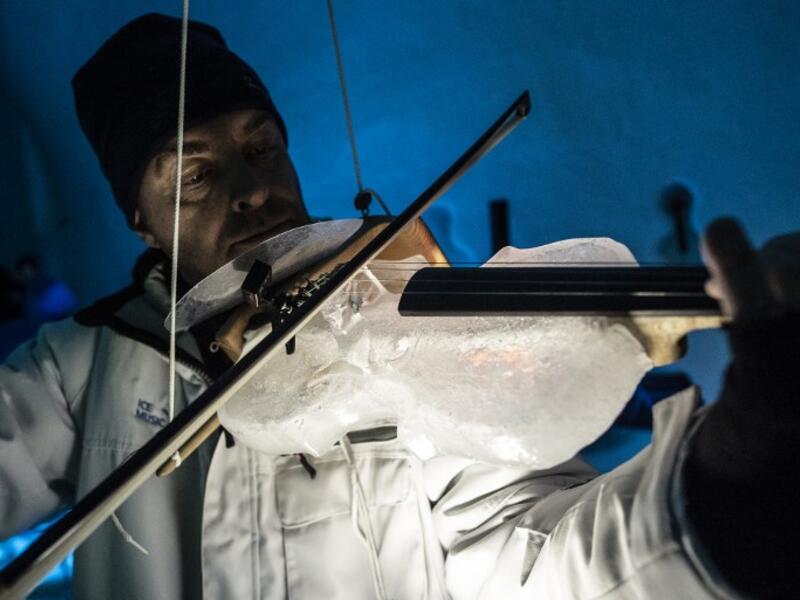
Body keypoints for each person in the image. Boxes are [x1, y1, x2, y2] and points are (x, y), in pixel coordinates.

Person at [0, 13, 797, 600]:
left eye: (261, 147)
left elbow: (536, 552)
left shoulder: (394, 331)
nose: (253, 193)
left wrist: (730, 481)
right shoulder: (80, 364)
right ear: (137, 215)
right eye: (197, 174)